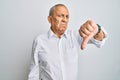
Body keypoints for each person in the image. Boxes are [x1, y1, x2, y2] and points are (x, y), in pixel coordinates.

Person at [28, 4, 108, 80]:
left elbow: (99, 41)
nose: (64, 20)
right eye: (60, 16)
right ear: (50, 19)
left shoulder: (75, 36)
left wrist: (98, 29)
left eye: (67, 17)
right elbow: (33, 74)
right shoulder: (39, 41)